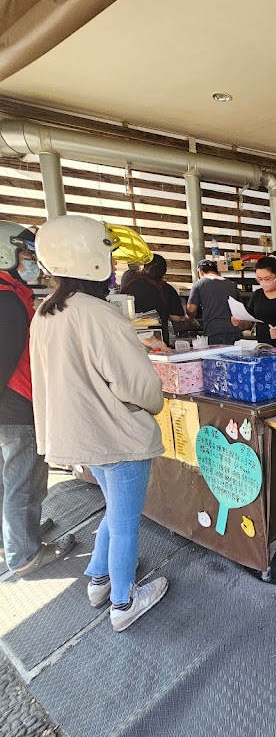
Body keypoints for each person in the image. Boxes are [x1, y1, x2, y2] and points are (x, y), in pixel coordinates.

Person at [30, 215, 168, 632]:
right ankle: (124, 603)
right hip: (117, 435)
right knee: (126, 522)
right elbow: (139, 387)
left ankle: (98, 578)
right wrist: (154, 401)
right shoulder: (100, 314)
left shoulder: (46, 313)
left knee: (114, 512)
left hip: (79, 434)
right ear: (93, 259)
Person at [0, 223, 74, 574]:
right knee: (24, 481)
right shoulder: (8, 302)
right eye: (27, 256)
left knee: (10, 478)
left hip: (12, 406)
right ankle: (25, 554)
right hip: (16, 407)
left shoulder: (11, 295)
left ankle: (12, 538)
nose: (33, 263)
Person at [120, 254, 185, 344]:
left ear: (144, 266)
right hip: (158, 338)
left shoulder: (128, 278)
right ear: (164, 271)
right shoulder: (167, 289)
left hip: (132, 336)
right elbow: (176, 318)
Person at [230, 252, 276, 347]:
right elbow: (249, 324)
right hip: (262, 346)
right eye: (259, 279)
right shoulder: (257, 295)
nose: (263, 282)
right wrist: (240, 322)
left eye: (267, 279)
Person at [186, 260, 241, 345]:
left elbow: (191, 309)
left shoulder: (199, 284)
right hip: (234, 330)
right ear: (216, 271)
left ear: (200, 271)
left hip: (214, 331)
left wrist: (191, 318)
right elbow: (240, 309)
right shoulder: (231, 284)